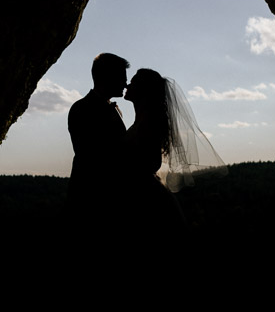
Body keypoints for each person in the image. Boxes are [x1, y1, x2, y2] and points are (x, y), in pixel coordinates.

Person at [121, 68, 227, 254]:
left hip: (146, 196)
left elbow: (152, 162)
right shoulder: (143, 120)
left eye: (134, 82)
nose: (128, 85)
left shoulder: (149, 123)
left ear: (144, 91)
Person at [65, 53, 131, 248]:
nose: (126, 83)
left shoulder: (110, 108)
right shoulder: (82, 109)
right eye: (122, 77)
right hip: (91, 200)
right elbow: (91, 156)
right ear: (106, 77)